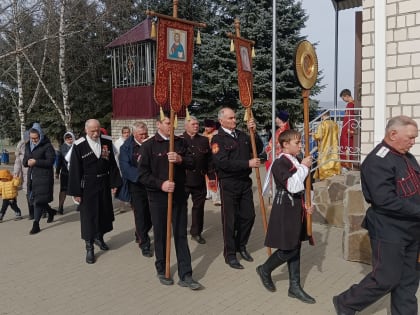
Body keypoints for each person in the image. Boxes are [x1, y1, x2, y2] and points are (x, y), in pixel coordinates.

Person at [333, 115, 420, 315]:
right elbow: (385, 201)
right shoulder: (377, 161)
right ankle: (346, 302)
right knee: (386, 278)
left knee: (408, 282)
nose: (413, 142)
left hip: (412, 230)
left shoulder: (405, 155)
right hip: (389, 230)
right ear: (393, 134)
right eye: (410, 138)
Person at [138, 113, 202, 290]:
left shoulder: (180, 142)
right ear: (158, 124)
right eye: (167, 123)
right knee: (161, 235)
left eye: (172, 123)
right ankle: (162, 269)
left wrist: (181, 159)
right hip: (158, 198)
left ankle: (186, 274)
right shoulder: (149, 146)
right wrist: (161, 184)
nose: (170, 126)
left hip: (179, 196)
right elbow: (142, 175)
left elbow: (193, 163)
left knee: (180, 235)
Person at [256, 129, 315, 304]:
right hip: (286, 208)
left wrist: (310, 204)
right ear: (285, 145)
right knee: (289, 248)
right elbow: (293, 186)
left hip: (299, 207)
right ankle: (265, 269)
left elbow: (307, 186)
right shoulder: (279, 163)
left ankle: (294, 286)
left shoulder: (298, 160)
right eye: (297, 143)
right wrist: (304, 166)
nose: (300, 145)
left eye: (300, 142)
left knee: (295, 246)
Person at [211, 107, 263, 269]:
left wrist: (253, 133)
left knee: (249, 216)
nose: (235, 120)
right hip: (228, 183)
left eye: (235, 118)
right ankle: (230, 254)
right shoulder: (217, 139)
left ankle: (241, 245)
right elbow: (221, 162)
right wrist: (247, 163)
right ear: (221, 121)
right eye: (231, 118)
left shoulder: (242, 135)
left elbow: (258, 148)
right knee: (230, 220)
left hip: (244, 182)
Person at [67, 119, 122, 264]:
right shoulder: (79, 145)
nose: (96, 133)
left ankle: (99, 237)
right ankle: (89, 246)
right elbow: (74, 170)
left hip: (103, 183)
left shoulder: (107, 142)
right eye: (92, 131)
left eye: (97, 130)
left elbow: (112, 164)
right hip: (87, 186)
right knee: (89, 216)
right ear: (86, 130)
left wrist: (115, 183)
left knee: (103, 213)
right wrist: (76, 192)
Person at [118, 121, 153, 257]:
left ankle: (140, 231)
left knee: (151, 214)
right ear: (134, 134)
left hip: (151, 184)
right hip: (136, 185)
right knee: (140, 214)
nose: (144, 136)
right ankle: (144, 243)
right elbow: (125, 168)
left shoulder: (151, 144)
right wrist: (142, 177)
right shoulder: (126, 147)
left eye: (145, 133)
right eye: (141, 134)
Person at [181, 116, 214, 244]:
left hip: (199, 179)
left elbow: (209, 160)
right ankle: (180, 229)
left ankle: (196, 232)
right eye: (193, 124)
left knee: (199, 208)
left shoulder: (204, 140)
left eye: (197, 124)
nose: (196, 126)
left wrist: (211, 177)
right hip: (183, 181)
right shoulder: (179, 140)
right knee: (180, 207)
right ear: (186, 126)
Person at [23, 123, 56, 234]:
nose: (34, 140)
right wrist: (27, 162)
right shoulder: (28, 145)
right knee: (38, 199)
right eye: (32, 138)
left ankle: (36, 224)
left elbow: (50, 161)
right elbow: (25, 161)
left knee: (38, 201)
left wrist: (37, 162)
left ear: (41, 135)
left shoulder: (47, 146)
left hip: (44, 177)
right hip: (32, 177)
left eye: (36, 138)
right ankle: (51, 212)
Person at [312, 111, 341, 180]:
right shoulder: (334, 123)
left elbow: (319, 136)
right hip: (333, 145)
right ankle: (334, 173)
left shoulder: (323, 124)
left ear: (322, 116)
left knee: (324, 161)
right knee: (333, 159)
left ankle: (324, 176)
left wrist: (313, 134)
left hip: (325, 145)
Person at [14, 131, 34, 219]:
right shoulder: (21, 154)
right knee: (27, 194)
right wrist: (16, 173)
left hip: (36, 175)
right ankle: (31, 212)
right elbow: (17, 164)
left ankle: (43, 211)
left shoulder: (35, 149)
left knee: (38, 194)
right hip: (26, 177)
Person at [55, 131, 75, 214]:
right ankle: (60, 207)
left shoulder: (77, 146)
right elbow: (59, 160)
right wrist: (57, 172)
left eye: (70, 137)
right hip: (65, 172)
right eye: (67, 138)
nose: (69, 139)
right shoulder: (62, 147)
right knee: (63, 190)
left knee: (77, 188)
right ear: (64, 139)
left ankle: (80, 204)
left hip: (75, 172)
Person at [202, 119, 221, 206]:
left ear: (213, 127)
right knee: (207, 178)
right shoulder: (204, 133)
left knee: (213, 178)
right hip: (206, 159)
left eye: (208, 127)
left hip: (213, 159)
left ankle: (215, 197)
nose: (206, 128)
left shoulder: (216, 134)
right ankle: (208, 193)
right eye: (205, 126)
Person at [339, 89, 356, 170]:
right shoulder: (353, 103)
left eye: (343, 98)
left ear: (346, 96)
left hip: (347, 130)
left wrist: (350, 129)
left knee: (346, 146)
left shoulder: (350, 104)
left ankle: (346, 165)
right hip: (347, 129)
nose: (343, 100)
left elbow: (351, 118)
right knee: (347, 146)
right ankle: (347, 164)